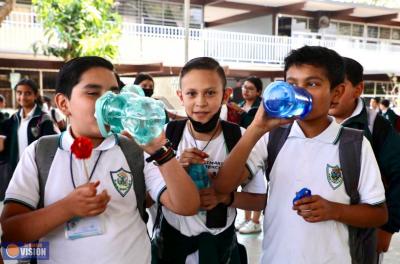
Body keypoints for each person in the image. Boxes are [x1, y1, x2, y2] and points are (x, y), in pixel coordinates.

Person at [0, 56, 200, 264]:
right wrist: (66, 208)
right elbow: (11, 233)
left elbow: (187, 206)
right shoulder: (41, 153)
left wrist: (161, 151)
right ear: (63, 103)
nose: (108, 104)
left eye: (113, 94)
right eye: (93, 93)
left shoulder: (134, 150)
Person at [214, 46, 388, 263]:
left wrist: (335, 210)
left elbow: (379, 214)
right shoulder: (272, 137)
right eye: (292, 84)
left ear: (337, 93)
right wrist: (256, 128)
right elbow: (222, 186)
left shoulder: (354, 144)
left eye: (312, 84)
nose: (299, 93)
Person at [151, 57, 266, 263]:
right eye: (191, 93)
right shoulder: (165, 137)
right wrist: (175, 167)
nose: (201, 102)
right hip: (172, 247)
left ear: (226, 95)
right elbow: (149, 196)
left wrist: (225, 198)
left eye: (210, 93)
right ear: (180, 96)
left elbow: (259, 200)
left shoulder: (240, 138)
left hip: (221, 248)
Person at [329, 57, 400, 262]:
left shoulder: (376, 127)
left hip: (362, 231)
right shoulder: (313, 121)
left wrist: (387, 228)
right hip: (319, 226)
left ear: (358, 89)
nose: (332, 94)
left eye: (340, 87)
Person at [0, 79, 57, 200]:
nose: (22, 96)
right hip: (16, 170)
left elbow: (49, 148)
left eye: (27, 93)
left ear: (35, 95)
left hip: (37, 171)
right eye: (19, 93)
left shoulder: (43, 119)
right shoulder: (13, 119)